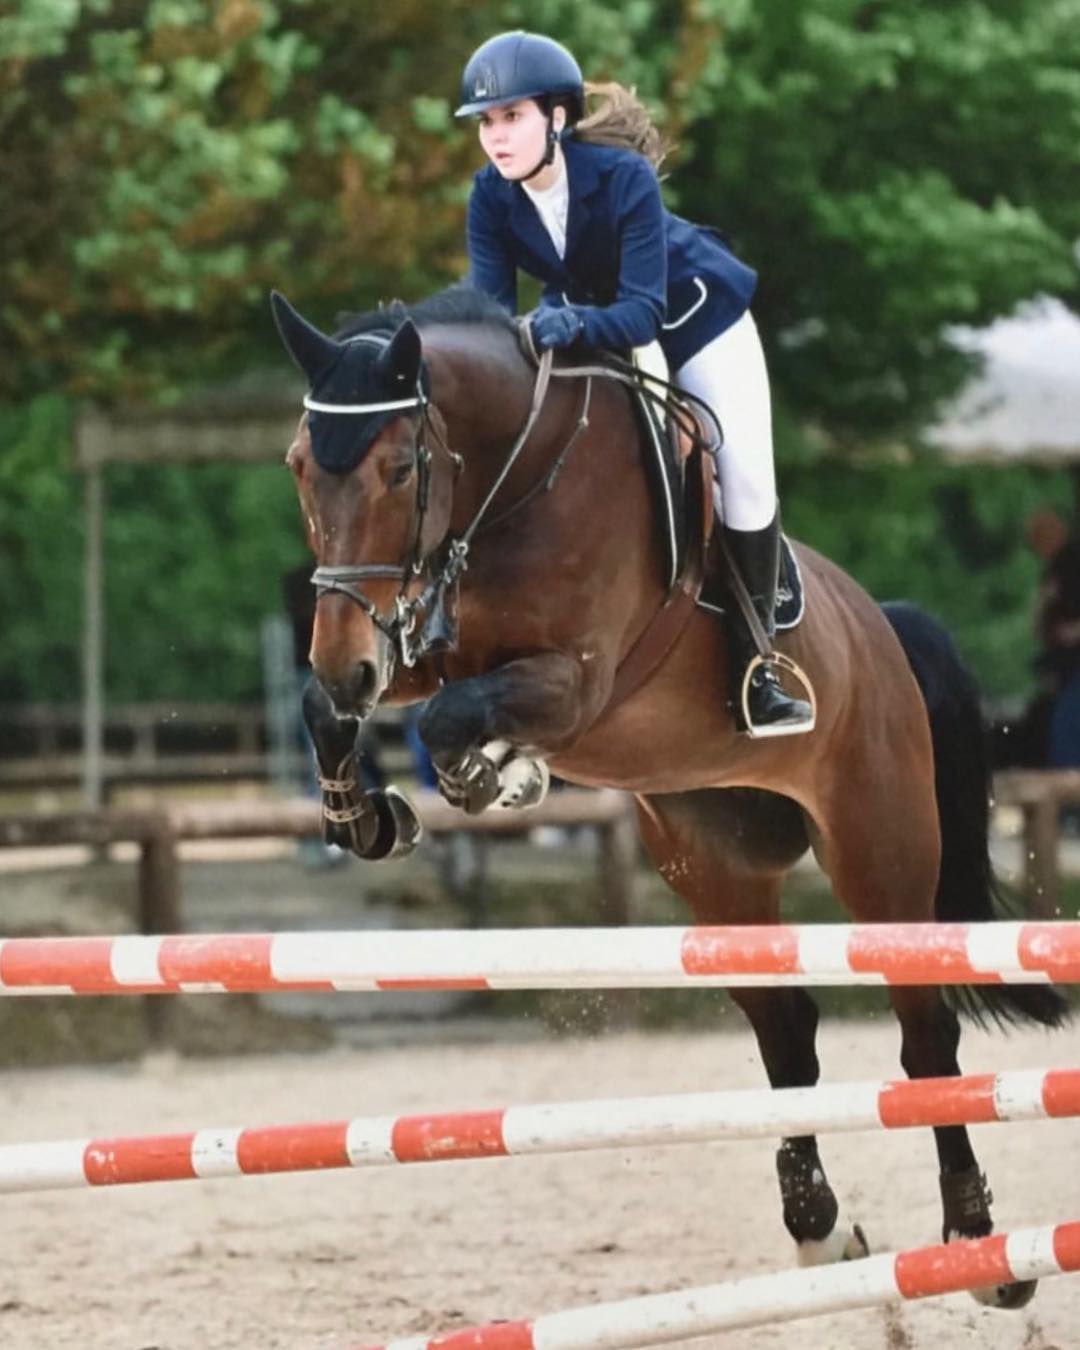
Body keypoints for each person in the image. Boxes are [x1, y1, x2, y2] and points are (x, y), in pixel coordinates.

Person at [455, 30, 812, 736]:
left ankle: (758, 666)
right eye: (486, 122)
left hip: (694, 318)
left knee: (743, 478)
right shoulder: (490, 196)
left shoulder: (622, 179)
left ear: (557, 118)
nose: (496, 137)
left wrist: (569, 322)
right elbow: (488, 314)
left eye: (513, 117)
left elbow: (644, 311)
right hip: (595, 322)